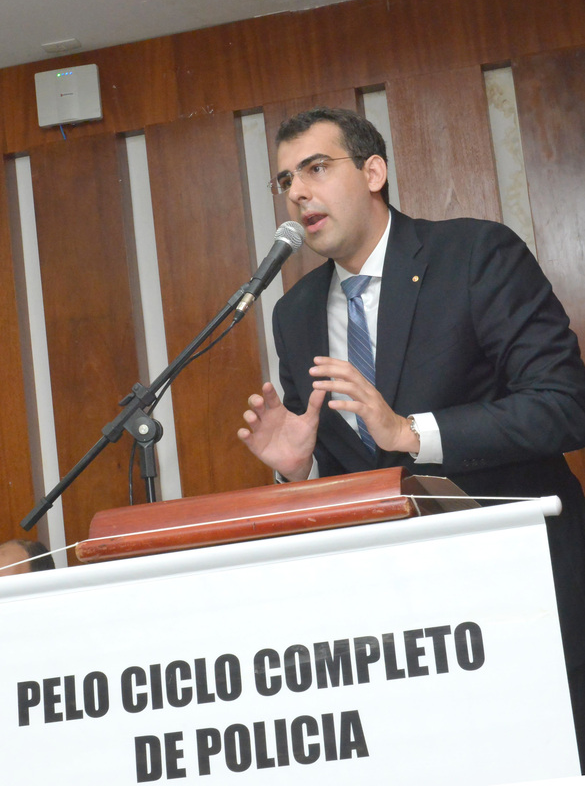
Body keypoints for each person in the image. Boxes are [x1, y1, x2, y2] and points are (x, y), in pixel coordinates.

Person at [237, 107, 585, 765]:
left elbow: (564, 407)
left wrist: (409, 432)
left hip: (522, 582)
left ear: (374, 172)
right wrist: (297, 473)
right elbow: (353, 477)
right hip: (404, 620)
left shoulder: (474, 255)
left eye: (316, 168)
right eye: (285, 180)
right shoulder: (295, 313)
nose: (298, 192)